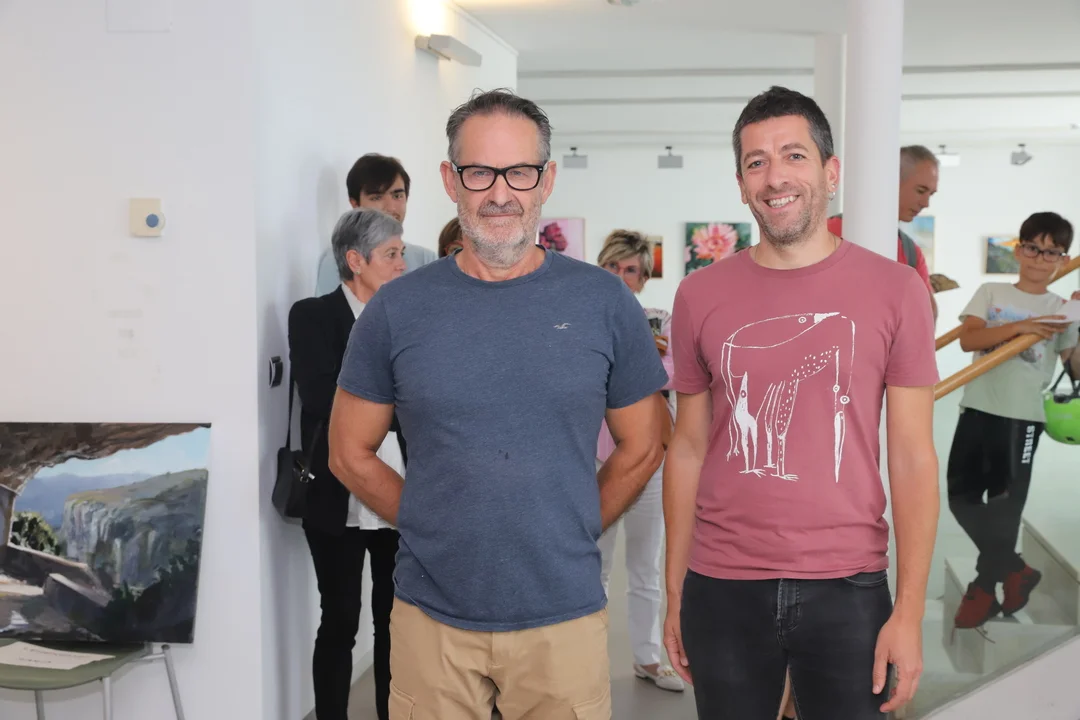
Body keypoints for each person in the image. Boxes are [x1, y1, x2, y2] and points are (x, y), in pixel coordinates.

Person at [326, 88, 669, 720]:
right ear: (450, 180)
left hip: (563, 616)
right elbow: (349, 452)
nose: (500, 192)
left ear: (547, 180)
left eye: (520, 172)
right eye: (479, 172)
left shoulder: (603, 302)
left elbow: (646, 442)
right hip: (431, 617)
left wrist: (576, 523)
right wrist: (426, 521)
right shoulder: (397, 310)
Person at [662, 86, 940, 720]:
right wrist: (675, 590)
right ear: (741, 184)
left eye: (793, 155)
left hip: (849, 585)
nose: (775, 177)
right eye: (756, 162)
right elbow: (688, 448)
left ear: (830, 172)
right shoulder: (699, 295)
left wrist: (910, 610)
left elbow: (913, 458)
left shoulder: (896, 290)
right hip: (722, 582)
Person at [289, 208, 409, 720]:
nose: (402, 264)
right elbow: (320, 397)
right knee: (339, 620)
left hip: (399, 490)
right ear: (355, 261)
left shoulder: (407, 318)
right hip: (335, 493)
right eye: (392, 254)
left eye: (401, 253)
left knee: (395, 623)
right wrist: (395, 395)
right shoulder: (312, 316)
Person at [948, 211, 1080, 629]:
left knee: (1004, 509)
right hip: (977, 407)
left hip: (1023, 420)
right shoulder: (992, 292)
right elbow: (970, 338)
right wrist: (1023, 327)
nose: (1041, 259)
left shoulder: (1061, 309)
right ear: (1019, 250)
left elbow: (1076, 368)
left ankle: (984, 587)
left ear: (1063, 259)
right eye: (1033, 248)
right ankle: (1016, 568)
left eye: (1052, 253)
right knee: (960, 498)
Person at [595, 230, 684, 693]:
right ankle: (587, 661)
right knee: (594, 564)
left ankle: (648, 657)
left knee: (646, 565)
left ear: (644, 277)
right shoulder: (582, 319)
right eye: (612, 266)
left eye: (630, 269)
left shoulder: (661, 321)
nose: (620, 276)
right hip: (597, 459)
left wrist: (641, 360)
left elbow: (676, 374)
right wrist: (643, 361)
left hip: (650, 458)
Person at [827, 145, 940, 320]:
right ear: (891, 182)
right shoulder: (827, 233)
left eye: (930, 194)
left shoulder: (911, 252)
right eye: (920, 191)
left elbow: (926, 316)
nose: (926, 203)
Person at [315, 153, 438, 294]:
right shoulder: (336, 261)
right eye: (376, 197)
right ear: (355, 204)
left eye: (397, 196)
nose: (390, 208)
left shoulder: (426, 260)